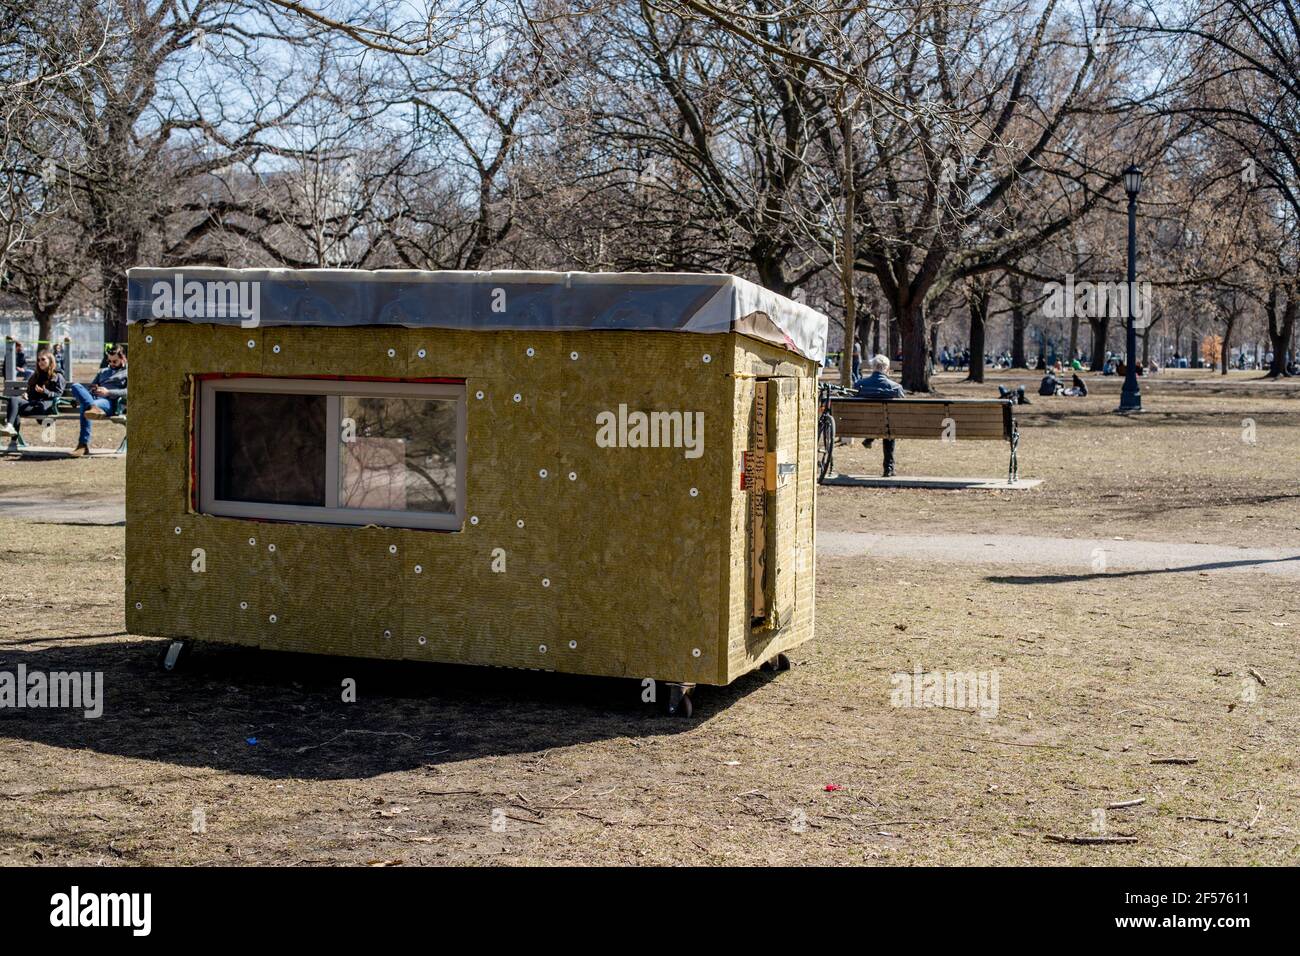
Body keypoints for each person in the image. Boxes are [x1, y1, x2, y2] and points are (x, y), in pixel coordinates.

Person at [68, 346, 127, 456]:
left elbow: (128, 391)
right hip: (96, 399)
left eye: (115, 361)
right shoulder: (103, 371)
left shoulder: (128, 372)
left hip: (110, 402)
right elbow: (91, 388)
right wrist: (93, 389)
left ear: (123, 358)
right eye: (109, 361)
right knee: (76, 386)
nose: (111, 363)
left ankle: (82, 445)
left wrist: (108, 392)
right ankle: (92, 406)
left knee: (85, 407)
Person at [854, 353, 905, 477]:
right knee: (888, 425)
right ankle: (888, 468)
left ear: (873, 368)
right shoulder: (896, 387)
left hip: (862, 424)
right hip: (887, 425)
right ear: (887, 369)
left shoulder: (859, 385)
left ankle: (869, 437)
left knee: (883, 421)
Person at [1, 347, 65, 438]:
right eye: (38, 360)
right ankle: (10, 427)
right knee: (13, 400)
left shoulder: (58, 376)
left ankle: (13, 440)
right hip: (33, 404)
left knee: (15, 409)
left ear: (50, 361)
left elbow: (58, 394)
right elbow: (30, 391)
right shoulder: (35, 376)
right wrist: (26, 394)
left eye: (43, 359)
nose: (40, 362)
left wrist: (45, 392)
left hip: (44, 407)